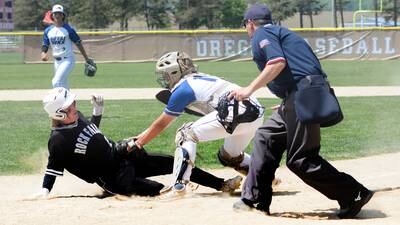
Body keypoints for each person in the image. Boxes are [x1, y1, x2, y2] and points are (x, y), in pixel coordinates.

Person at [230, 4, 373, 219]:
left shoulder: (263, 33)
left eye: (245, 25)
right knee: (266, 136)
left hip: (303, 95)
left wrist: (248, 90)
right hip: (299, 95)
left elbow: (277, 63)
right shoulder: (282, 32)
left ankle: (353, 193)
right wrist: (289, 101)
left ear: (250, 23)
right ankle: (255, 199)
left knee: (301, 159)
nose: (247, 30)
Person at [31, 87, 242, 199]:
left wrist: (98, 112)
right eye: (70, 106)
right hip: (113, 179)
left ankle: (221, 185)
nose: (74, 107)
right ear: (59, 113)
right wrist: (45, 190)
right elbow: (53, 167)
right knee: (158, 190)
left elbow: (92, 132)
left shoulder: (76, 117)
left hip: (122, 156)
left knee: (173, 163)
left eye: (74, 103)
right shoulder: (58, 141)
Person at [133, 51, 265, 193]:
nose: (164, 79)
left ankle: (179, 186)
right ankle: (266, 177)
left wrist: (140, 143)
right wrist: (139, 137)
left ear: (174, 73)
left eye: (165, 75)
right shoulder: (199, 79)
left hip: (237, 112)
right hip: (255, 113)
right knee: (229, 156)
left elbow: (161, 123)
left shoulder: (182, 89)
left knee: (186, 134)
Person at [41, 4, 93, 89]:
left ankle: (61, 101)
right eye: (55, 13)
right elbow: (45, 44)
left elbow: (78, 43)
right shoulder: (48, 30)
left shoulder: (69, 29)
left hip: (68, 60)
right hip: (57, 62)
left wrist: (86, 58)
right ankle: (69, 102)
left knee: (56, 82)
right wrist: (43, 52)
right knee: (62, 86)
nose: (57, 15)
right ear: (52, 15)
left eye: (60, 13)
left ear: (63, 15)